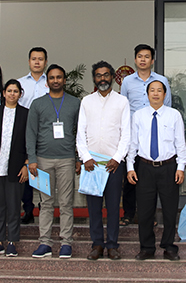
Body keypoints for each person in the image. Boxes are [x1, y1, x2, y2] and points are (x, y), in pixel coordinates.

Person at [127, 80, 186, 261]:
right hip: (144, 167)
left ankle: (169, 246)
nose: (155, 93)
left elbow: (180, 144)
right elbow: (133, 144)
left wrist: (181, 167)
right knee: (145, 211)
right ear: (147, 94)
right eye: (152, 90)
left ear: (165, 94)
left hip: (168, 167)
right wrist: (130, 167)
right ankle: (146, 247)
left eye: (159, 90)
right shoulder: (138, 115)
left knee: (169, 211)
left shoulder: (174, 115)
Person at [76, 61, 131, 261]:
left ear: (113, 77)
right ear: (94, 78)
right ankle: (97, 244)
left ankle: (113, 245)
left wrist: (117, 158)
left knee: (114, 207)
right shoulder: (86, 101)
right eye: (99, 75)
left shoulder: (122, 102)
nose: (103, 79)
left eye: (106, 75)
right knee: (94, 208)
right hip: (92, 165)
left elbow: (126, 134)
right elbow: (80, 133)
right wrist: (85, 158)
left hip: (114, 165)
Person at [27, 64, 81, 259]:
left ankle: (66, 242)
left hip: (67, 159)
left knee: (66, 203)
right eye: (52, 78)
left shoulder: (75, 103)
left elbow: (80, 133)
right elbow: (30, 133)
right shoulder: (37, 104)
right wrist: (32, 159)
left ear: (64, 80)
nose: (55, 80)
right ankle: (45, 243)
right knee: (46, 203)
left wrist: (77, 158)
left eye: (59, 77)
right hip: (42, 160)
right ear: (47, 81)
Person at [119, 44, 172, 226]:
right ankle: (128, 213)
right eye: (140, 56)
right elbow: (123, 107)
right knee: (131, 173)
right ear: (135, 59)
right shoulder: (127, 82)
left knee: (151, 178)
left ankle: (147, 215)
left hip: (155, 135)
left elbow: (168, 107)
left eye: (147, 56)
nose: (143, 59)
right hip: (134, 135)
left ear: (152, 60)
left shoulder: (162, 81)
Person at [0, 79, 29, 257]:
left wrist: (26, 164)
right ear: (3, 93)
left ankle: (12, 242)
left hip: (16, 168)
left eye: (15, 91)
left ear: (20, 94)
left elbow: (29, 142)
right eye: (9, 91)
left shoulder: (26, 114)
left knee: (14, 206)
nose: (12, 94)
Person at [17, 47, 49, 225]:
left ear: (45, 62)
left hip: (46, 133)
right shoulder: (20, 83)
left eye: (41, 59)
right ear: (29, 61)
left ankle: (44, 207)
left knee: (43, 169)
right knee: (27, 169)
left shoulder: (50, 83)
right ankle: (28, 209)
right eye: (34, 59)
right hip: (25, 132)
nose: (37, 62)